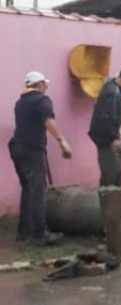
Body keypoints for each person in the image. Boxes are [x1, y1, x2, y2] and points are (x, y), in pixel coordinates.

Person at [8, 71, 73, 245]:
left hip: (17, 148)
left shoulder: (20, 102)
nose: (46, 87)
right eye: (45, 84)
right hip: (31, 150)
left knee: (28, 189)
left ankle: (24, 233)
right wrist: (62, 141)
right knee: (38, 191)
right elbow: (48, 121)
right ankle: (39, 234)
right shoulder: (42, 100)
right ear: (40, 85)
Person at [88, 69, 121, 186]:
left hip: (104, 135)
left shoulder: (110, 84)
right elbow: (107, 118)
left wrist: (116, 136)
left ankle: (116, 193)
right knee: (112, 170)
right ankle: (112, 196)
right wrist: (113, 139)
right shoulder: (113, 93)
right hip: (105, 138)